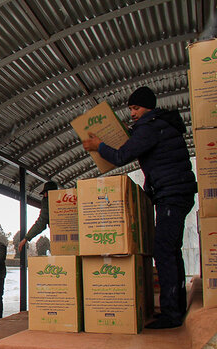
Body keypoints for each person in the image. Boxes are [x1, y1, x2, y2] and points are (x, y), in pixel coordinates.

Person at [83, 86, 197, 329]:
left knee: (164, 250)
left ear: (147, 107)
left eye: (135, 108)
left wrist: (99, 145)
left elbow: (123, 156)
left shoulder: (150, 125)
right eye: (130, 109)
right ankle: (175, 306)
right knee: (171, 249)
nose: (132, 113)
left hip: (172, 193)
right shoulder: (161, 125)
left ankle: (171, 313)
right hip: (178, 191)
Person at [17, 181, 58, 253]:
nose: (44, 196)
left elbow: (41, 223)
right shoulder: (66, 201)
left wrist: (26, 238)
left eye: (45, 193)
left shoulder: (47, 202)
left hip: (60, 239)